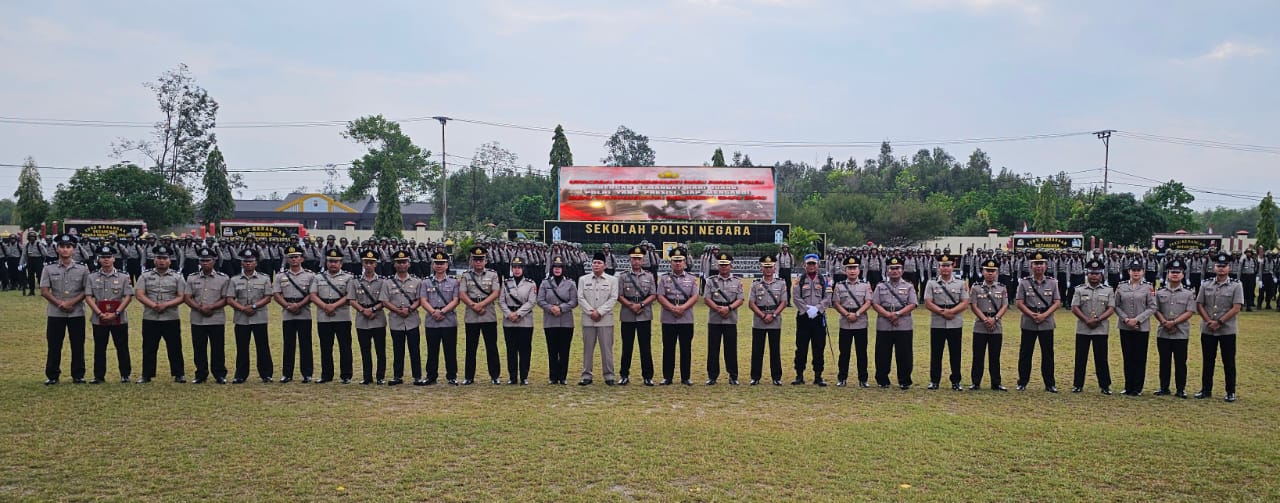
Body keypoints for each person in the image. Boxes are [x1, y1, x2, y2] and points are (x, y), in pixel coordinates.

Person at [135, 244, 187, 383]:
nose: (161, 261)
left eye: (164, 258)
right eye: (159, 258)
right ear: (154, 260)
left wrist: (166, 305)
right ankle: (146, 374)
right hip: (150, 317)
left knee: (175, 347)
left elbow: (182, 296)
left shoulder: (177, 277)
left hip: (171, 317)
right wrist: (153, 305)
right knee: (149, 347)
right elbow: (139, 294)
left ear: (169, 260)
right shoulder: (145, 276)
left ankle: (179, 374)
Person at [1195, 252, 1243, 402]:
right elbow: (1199, 304)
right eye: (1218, 266)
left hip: (1227, 329)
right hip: (1208, 328)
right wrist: (1209, 321)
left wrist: (1219, 322)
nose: (1221, 269)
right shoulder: (1206, 284)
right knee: (1208, 361)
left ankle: (1230, 391)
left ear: (1229, 268)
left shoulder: (1236, 285)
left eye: (1224, 266)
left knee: (1228, 361)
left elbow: (1236, 308)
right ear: (1214, 267)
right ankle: (1206, 389)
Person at [83, 244, 132, 384]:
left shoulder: (123, 277)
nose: (106, 260)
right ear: (98, 259)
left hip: (119, 318)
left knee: (122, 347)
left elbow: (128, 296)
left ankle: (125, 374)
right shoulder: (92, 277)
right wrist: (99, 313)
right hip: (99, 318)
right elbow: (88, 296)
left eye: (108, 257)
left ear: (113, 259)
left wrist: (116, 313)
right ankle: (99, 376)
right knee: (99, 348)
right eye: (103, 257)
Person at [1015, 251, 1062, 393]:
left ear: (1046, 265)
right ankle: (1022, 382)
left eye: (1041, 263)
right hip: (1029, 322)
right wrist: (1031, 314)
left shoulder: (1053, 283)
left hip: (1046, 322)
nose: (1038, 266)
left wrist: (1044, 315)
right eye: (1035, 263)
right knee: (1025, 354)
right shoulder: (1024, 283)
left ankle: (1049, 383)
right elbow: (1019, 302)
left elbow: (1057, 302)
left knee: (1048, 355)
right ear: (1030, 265)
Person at [226, 249, 274, 383]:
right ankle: (240, 375)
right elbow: (230, 299)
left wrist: (253, 307)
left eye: (251, 261)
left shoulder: (264, 278)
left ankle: (266, 374)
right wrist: (243, 308)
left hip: (259, 317)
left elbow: (268, 297)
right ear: (241, 263)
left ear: (256, 263)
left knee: (263, 346)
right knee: (242, 347)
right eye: (245, 261)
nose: (248, 264)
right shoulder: (234, 279)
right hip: (241, 319)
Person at [184, 246, 231, 384]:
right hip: (198, 318)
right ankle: (201, 374)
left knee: (218, 347)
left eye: (208, 260)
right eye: (202, 260)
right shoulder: (192, 278)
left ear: (214, 261)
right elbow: (187, 297)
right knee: (199, 347)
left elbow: (226, 298)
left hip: (216, 318)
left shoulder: (223, 278)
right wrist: (199, 308)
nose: (205, 263)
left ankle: (219, 374)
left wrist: (211, 307)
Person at [870, 256, 917, 389]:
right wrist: (888, 315)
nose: (894, 271)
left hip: (903, 323)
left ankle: (904, 380)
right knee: (882, 353)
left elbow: (913, 303)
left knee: (904, 353)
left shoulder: (908, 286)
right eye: (891, 268)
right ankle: (882, 380)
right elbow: (875, 303)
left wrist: (896, 314)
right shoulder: (880, 286)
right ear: (887, 270)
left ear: (902, 270)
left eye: (897, 268)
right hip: (884, 323)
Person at [1070, 259, 1115, 394]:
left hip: (1100, 329)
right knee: (1080, 358)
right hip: (1083, 328)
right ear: (1087, 274)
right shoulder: (1079, 289)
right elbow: (1074, 307)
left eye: (1097, 273)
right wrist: (1086, 320)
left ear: (1101, 275)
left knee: (1101, 358)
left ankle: (1105, 385)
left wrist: (1098, 319)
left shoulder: (1108, 290)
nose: (1094, 276)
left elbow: (1111, 308)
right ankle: (1078, 384)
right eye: (1091, 273)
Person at [459, 246, 502, 385]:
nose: (478, 262)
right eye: (475, 260)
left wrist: (481, 305)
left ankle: (495, 376)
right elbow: (462, 294)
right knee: (471, 347)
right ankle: (469, 377)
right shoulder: (466, 275)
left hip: (488, 313)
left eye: (481, 259)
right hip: (471, 314)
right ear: (471, 261)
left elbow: (496, 292)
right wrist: (474, 306)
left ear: (486, 261)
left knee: (491, 346)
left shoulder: (493, 274)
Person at [923, 254, 968, 391]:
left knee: (955, 353)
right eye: (943, 266)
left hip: (955, 322)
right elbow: (928, 302)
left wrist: (952, 312)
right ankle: (934, 381)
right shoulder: (931, 283)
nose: (945, 268)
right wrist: (943, 312)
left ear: (953, 266)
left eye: (948, 265)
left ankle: (956, 381)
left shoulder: (960, 283)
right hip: (938, 322)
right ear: (939, 267)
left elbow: (965, 302)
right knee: (936, 353)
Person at [1153, 259, 1196, 398]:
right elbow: (1155, 309)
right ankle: (1164, 387)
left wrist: (1174, 323)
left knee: (1180, 362)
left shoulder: (1189, 293)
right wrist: (1165, 322)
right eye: (1172, 272)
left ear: (1183, 274)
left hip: (1181, 332)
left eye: (1178, 272)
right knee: (1164, 361)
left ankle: (1180, 389)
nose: (1175, 275)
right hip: (1163, 332)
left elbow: (1190, 311)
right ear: (1167, 274)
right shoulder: (1159, 292)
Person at [310, 249, 354, 384]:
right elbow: (312, 295)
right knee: (325, 346)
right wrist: (325, 307)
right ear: (326, 262)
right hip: (324, 316)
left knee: (345, 347)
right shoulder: (318, 277)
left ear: (341, 263)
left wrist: (333, 306)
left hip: (342, 316)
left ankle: (346, 375)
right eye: (330, 261)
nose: (333, 264)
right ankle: (326, 374)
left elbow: (349, 296)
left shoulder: (348, 278)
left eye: (336, 261)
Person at [1114, 259, 1157, 396]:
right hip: (1125, 326)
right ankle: (1128, 386)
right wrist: (1126, 319)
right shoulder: (1121, 287)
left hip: (1141, 327)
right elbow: (1115, 305)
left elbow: (1153, 307)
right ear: (1129, 271)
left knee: (1140, 357)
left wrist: (1137, 319)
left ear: (1143, 272)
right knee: (1127, 357)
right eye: (1133, 270)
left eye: (1139, 270)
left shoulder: (1148, 287)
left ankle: (1137, 388)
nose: (1136, 272)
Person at [273, 245, 315, 383]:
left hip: (304, 312)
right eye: (291, 257)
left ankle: (307, 373)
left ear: (302, 258)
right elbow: (277, 294)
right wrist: (287, 306)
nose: (294, 260)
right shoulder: (280, 276)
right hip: (288, 312)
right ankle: (287, 374)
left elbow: (312, 294)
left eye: (296, 257)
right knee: (288, 344)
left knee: (305, 344)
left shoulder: (310, 275)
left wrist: (299, 305)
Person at [657, 247, 699, 385]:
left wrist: (682, 308)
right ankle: (667, 377)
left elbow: (694, 296)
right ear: (671, 263)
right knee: (668, 348)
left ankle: (685, 377)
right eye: (675, 261)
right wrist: (672, 308)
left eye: (680, 261)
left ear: (685, 262)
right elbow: (660, 296)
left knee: (685, 348)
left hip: (686, 317)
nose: (677, 263)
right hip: (668, 317)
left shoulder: (692, 279)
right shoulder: (664, 278)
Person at [617, 246, 657, 386]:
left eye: (639, 259)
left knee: (645, 347)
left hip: (644, 314)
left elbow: (653, 294)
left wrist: (640, 305)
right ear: (630, 259)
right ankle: (624, 375)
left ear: (643, 260)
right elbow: (619, 295)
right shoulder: (623, 276)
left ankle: (648, 376)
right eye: (634, 258)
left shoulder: (649, 276)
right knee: (627, 347)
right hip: (628, 314)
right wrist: (631, 306)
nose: (636, 261)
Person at [577, 252, 618, 385]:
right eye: (594, 262)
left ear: (605, 266)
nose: (596, 265)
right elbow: (580, 298)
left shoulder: (612, 280)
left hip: (605, 319)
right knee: (587, 349)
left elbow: (613, 298)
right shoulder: (583, 279)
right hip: (588, 320)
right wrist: (591, 312)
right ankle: (586, 375)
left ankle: (609, 375)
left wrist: (599, 312)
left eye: (599, 263)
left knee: (607, 349)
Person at [420, 251, 460, 385]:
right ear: (433, 265)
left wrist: (442, 312)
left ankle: (452, 376)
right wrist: (433, 312)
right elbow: (423, 300)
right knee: (432, 350)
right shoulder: (426, 282)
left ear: (447, 265)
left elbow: (456, 300)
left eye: (442, 263)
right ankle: (431, 376)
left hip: (448, 320)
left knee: (450, 350)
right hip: (432, 321)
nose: (439, 266)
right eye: (436, 263)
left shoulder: (454, 282)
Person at [703, 252, 743, 385]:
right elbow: (707, 298)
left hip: (730, 318)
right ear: (717, 265)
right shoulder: (710, 280)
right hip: (715, 318)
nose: (724, 267)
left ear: (731, 266)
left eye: (726, 265)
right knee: (713, 348)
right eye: (721, 265)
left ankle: (733, 376)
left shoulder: (737, 281)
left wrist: (729, 308)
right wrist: (718, 309)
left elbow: (740, 299)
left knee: (731, 348)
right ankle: (712, 376)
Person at [383, 250, 422, 385]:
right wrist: (398, 311)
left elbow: (419, 300)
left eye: (404, 262)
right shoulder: (387, 283)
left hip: (412, 320)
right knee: (397, 349)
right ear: (394, 264)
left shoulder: (417, 282)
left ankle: (417, 376)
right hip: (396, 320)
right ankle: (397, 376)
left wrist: (410, 309)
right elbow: (384, 301)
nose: (401, 265)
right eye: (399, 262)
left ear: (409, 264)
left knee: (414, 349)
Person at [832, 256, 872, 388]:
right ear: (845, 270)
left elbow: (868, 302)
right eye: (849, 268)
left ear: (859, 270)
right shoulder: (839, 286)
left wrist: (857, 314)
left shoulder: (865, 285)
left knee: (862, 352)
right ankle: (842, 378)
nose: (852, 271)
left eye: (854, 268)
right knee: (844, 352)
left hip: (861, 321)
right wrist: (847, 314)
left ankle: (863, 379)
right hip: (845, 321)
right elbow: (836, 303)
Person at [969, 259, 1009, 391]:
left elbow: (1005, 305)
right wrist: (985, 320)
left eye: (993, 271)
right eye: (987, 271)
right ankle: (975, 382)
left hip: (996, 326)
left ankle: (996, 383)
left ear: (997, 272)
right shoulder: (976, 287)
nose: (990, 274)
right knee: (978, 356)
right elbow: (973, 305)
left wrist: (995, 319)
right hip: (980, 325)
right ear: (982, 272)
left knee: (995, 356)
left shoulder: (1002, 288)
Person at [748, 255, 788, 385]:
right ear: (761, 269)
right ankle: (755, 377)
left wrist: (774, 315)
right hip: (759, 320)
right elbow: (751, 303)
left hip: (775, 320)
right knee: (757, 350)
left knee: (775, 350)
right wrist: (762, 315)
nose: (768, 269)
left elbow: (784, 302)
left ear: (774, 268)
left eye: (770, 267)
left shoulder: (781, 283)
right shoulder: (755, 283)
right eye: (765, 267)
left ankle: (776, 377)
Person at [349, 249, 388, 385]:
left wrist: (371, 309)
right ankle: (367, 377)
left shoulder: (382, 281)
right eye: (366, 262)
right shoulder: (355, 281)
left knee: (380, 350)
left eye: (371, 262)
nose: (368, 265)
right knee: (365, 350)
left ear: (376, 264)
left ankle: (380, 376)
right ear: (362, 263)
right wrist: (362, 310)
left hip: (378, 317)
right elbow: (352, 299)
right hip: (362, 318)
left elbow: (384, 300)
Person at [538, 256, 577, 385]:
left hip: (566, 321)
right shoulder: (545, 283)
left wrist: (561, 308)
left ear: (563, 269)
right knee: (552, 350)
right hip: (550, 321)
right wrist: (551, 308)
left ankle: (563, 377)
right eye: (555, 267)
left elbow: (574, 301)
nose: (557, 270)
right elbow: (540, 300)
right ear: (552, 268)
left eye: (560, 267)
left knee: (564, 350)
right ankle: (553, 376)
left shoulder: (570, 283)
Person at [499, 256, 537, 385]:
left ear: (523, 268)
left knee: (525, 349)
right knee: (511, 350)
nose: (516, 270)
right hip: (509, 321)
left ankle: (524, 376)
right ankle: (512, 376)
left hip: (525, 320)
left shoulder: (531, 284)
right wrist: (509, 314)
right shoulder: (505, 283)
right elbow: (501, 301)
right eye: (514, 267)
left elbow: (531, 302)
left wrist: (518, 314)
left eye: (519, 267)